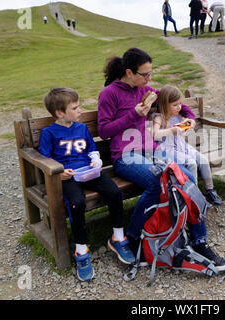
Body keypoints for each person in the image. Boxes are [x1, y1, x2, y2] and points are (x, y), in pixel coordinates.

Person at [98, 48, 225, 271]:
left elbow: (173, 99)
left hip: (151, 151)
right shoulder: (109, 94)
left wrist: (189, 117)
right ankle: (128, 237)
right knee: (159, 180)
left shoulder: (146, 90)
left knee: (186, 177)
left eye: (151, 74)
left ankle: (199, 241)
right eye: (145, 74)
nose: (149, 79)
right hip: (125, 154)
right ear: (129, 72)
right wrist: (135, 114)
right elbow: (103, 131)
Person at [39, 88, 135, 282]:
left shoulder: (81, 128)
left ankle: (118, 237)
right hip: (68, 177)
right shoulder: (48, 133)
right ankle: (81, 250)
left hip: (89, 171)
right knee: (77, 203)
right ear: (60, 113)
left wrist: (96, 161)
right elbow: (45, 159)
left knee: (114, 193)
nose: (80, 110)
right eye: (75, 108)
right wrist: (59, 172)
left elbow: (91, 149)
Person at [152, 85, 223, 206]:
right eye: (175, 105)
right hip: (167, 150)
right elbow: (155, 135)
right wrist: (172, 130)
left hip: (182, 146)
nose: (179, 107)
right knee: (191, 163)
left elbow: (189, 123)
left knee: (203, 160)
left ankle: (209, 190)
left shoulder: (179, 115)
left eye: (180, 103)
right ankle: (194, 196)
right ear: (164, 104)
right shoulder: (159, 118)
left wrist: (188, 125)